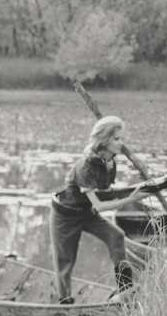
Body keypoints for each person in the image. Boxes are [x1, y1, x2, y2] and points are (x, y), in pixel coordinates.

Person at [50, 115, 148, 304]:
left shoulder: (110, 161)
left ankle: (125, 289)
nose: (122, 143)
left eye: (121, 138)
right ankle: (64, 304)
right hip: (65, 215)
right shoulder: (86, 166)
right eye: (117, 139)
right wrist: (132, 198)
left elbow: (106, 192)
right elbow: (101, 205)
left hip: (87, 212)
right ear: (104, 140)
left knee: (116, 236)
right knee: (65, 261)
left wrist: (137, 190)